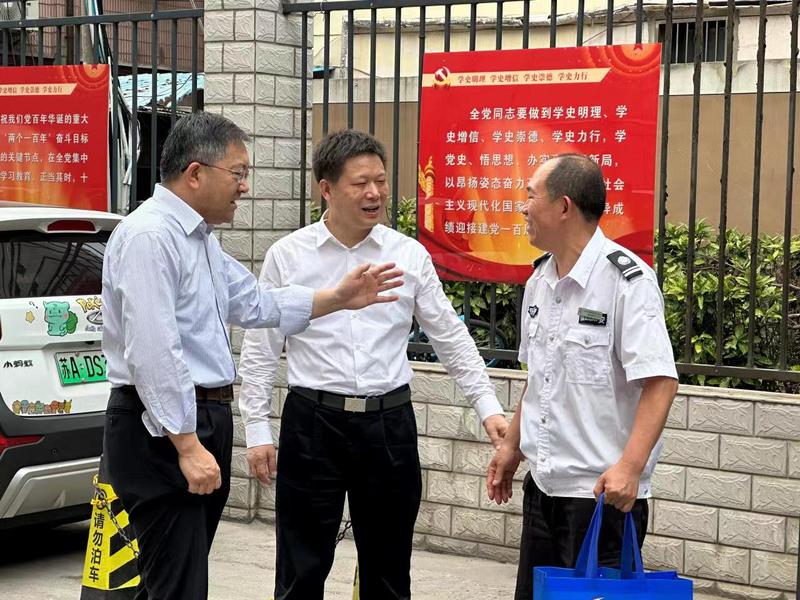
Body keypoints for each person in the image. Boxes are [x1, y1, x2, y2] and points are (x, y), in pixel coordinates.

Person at [101, 112, 404, 600]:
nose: (245, 187)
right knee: (177, 586)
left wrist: (337, 298)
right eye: (238, 173)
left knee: (170, 580)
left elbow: (257, 302)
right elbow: (153, 351)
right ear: (195, 173)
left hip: (196, 418)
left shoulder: (196, 239)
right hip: (162, 429)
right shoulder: (150, 237)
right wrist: (186, 445)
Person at [238, 129, 509, 600]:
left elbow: (450, 337)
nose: (375, 193)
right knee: (300, 570)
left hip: (388, 425)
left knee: (388, 571)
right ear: (327, 188)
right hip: (312, 424)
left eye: (381, 181)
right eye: (361, 183)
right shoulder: (289, 255)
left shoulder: (407, 255)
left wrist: (487, 406)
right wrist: (257, 429)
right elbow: (262, 348)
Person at [485, 153, 678, 599]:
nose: (523, 208)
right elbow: (540, 377)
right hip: (544, 489)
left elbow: (661, 382)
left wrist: (630, 468)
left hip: (602, 498)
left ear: (564, 206)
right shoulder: (539, 281)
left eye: (531, 196)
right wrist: (512, 446)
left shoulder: (627, 282)